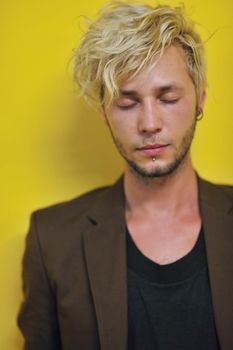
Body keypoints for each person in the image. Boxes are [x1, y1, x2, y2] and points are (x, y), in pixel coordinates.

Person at [18, 2, 233, 350]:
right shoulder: (52, 240)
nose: (149, 123)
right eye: (127, 102)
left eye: (168, 97)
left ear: (199, 100)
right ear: (104, 112)